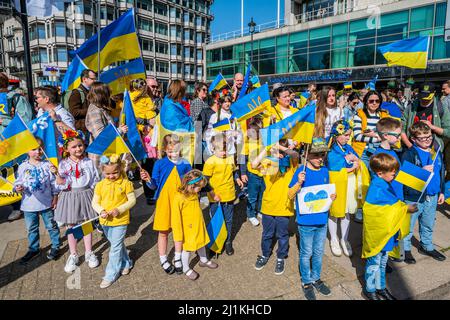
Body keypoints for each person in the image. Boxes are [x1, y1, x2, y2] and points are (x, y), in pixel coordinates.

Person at [362, 153, 417, 300]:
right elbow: (373, 211)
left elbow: (392, 205)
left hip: (386, 233)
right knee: (374, 262)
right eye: (393, 173)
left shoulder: (385, 184)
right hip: (378, 235)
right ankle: (369, 289)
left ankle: (380, 288)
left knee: (383, 261)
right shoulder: (377, 188)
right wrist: (405, 209)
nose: (395, 176)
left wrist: (403, 207)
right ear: (380, 173)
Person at [288, 138, 335, 300]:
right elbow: (289, 195)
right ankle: (306, 281)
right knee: (306, 252)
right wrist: (298, 183)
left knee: (319, 252)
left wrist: (331, 196)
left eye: (322, 155)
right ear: (307, 155)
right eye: (316, 155)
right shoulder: (301, 171)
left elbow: (326, 193)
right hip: (306, 223)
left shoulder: (325, 171)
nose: (320, 158)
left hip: (322, 220)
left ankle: (316, 278)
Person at [140, 134, 192, 275]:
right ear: (165, 150)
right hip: (164, 201)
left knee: (178, 230)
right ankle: (163, 258)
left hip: (180, 202)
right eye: (170, 151)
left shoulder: (186, 164)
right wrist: (148, 179)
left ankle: (177, 257)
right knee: (163, 232)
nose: (173, 153)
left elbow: (190, 184)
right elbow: (154, 186)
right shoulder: (159, 164)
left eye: (175, 150)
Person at [53, 130, 100, 273]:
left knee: (86, 224)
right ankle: (73, 254)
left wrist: (96, 195)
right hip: (70, 196)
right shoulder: (63, 164)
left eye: (80, 145)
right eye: (74, 147)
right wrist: (58, 177)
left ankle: (89, 252)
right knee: (71, 226)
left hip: (86, 194)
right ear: (66, 149)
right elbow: (61, 184)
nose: (78, 149)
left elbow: (94, 179)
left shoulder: (89, 162)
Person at [401, 122, 446, 264]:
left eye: (429, 137)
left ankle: (426, 245)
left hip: (432, 196)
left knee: (428, 223)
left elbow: (441, 173)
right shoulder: (409, 154)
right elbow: (404, 177)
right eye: (422, 138)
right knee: (408, 225)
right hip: (414, 197)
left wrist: (441, 191)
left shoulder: (435, 151)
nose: (427, 140)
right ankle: (405, 249)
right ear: (413, 139)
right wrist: (421, 172)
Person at [252, 139, 299, 275]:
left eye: (281, 149)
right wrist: (268, 149)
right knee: (267, 234)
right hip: (268, 206)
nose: (279, 152)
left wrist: (282, 149)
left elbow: (295, 155)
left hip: (284, 207)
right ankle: (265, 254)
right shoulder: (268, 161)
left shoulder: (291, 162)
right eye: (276, 149)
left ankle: (281, 257)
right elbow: (254, 164)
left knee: (282, 235)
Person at [13, 138, 60, 264]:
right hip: (29, 205)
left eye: (40, 148)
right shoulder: (23, 166)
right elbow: (18, 183)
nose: (38, 152)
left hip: (46, 203)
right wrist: (18, 187)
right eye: (34, 149)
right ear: (27, 151)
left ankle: (56, 246)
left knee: (51, 226)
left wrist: (55, 197)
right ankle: (34, 249)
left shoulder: (47, 165)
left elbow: (53, 183)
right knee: (31, 229)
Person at [91, 154, 136, 288]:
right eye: (108, 174)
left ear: (121, 169)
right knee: (117, 243)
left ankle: (110, 275)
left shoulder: (126, 183)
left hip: (120, 220)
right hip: (105, 221)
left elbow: (132, 200)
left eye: (115, 172)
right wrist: (101, 211)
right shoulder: (99, 185)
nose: (111, 176)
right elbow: (95, 202)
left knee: (114, 248)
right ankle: (126, 262)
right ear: (103, 172)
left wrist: (119, 210)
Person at [327, 120, 369, 257]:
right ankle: (334, 238)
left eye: (349, 135)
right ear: (337, 135)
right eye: (345, 135)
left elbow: (357, 160)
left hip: (349, 185)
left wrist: (353, 161)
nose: (347, 138)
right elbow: (334, 166)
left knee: (347, 213)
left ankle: (344, 239)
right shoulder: (331, 149)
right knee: (335, 212)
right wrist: (350, 164)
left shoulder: (349, 148)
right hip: (338, 184)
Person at [171, 169, 219, 280]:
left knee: (201, 242)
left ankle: (203, 260)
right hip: (187, 230)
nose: (200, 190)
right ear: (191, 186)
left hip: (198, 225)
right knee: (187, 249)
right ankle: (186, 268)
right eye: (199, 188)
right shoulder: (179, 198)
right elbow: (176, 219)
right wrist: (179, 235)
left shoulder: (194, 193)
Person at [0, 73, 33, 222]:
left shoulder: (15, 97)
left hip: (11, 143)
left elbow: (25, 120)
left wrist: (4, 121)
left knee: (12, 172)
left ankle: (17, 206)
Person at [203, 133, 244, 255]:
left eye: (225, 150)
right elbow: (205, 180)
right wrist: (212, 193)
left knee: (229, 220)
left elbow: (234, 171)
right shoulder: (210, 161)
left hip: (229, 195)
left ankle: (228, 241)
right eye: (220, 150)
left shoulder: (230, 158)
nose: (223, 153)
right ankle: (214, 243)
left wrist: (237, 178)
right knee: (216, 220)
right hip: (215, 197)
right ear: (213, 148)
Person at [85, 82, 128, 169]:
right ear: (102, 95)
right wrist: (119, 130)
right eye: (108, 93)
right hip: (99, 155)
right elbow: (99, 135)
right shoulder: (94, 110)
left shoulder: (100, 108)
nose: (110, 96)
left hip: (105, 153)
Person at [129, 78, 157, 203]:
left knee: (152, 165)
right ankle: (149, 195)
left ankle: (153, 192)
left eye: (156, 87)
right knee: (145, 166)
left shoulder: (151, 99)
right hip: (140, 136)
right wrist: (146, 122)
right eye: (152, 86)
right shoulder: (131, 98)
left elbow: (153, 115)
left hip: (151, 136)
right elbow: (132, 117)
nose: (154, 89)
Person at [240, 118, 264, 227]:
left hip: (264, 172)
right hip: (252, 174)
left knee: (262, 193)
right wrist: (243, 173)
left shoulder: (265, 140)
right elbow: (243, 157)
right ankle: (250, 214)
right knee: (252, 196)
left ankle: (259, 210)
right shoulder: (248, 140)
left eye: (258, 131)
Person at [67, 69, 97, 134]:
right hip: (82, 129)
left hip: (90, 127)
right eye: (92, 79)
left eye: (95, 79)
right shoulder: (76, 93)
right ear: (84, 79)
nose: (95, 81)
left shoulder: (91, 91)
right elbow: (74, 112)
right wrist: (92, 110)